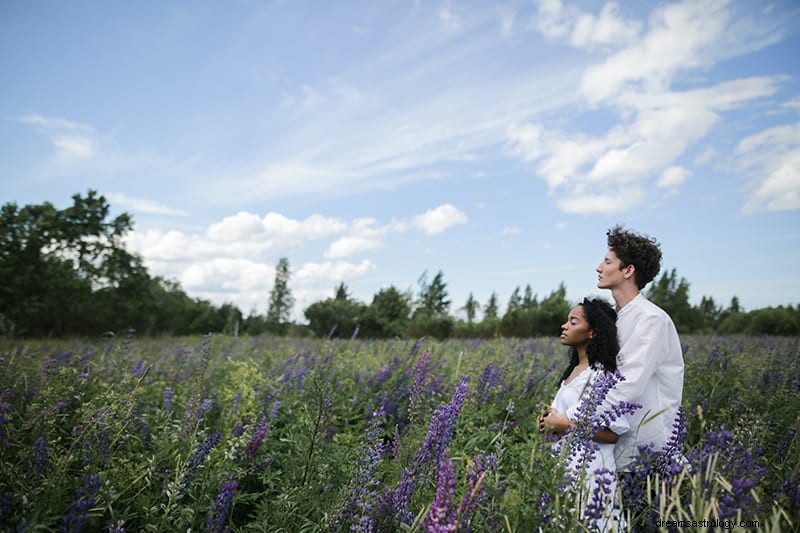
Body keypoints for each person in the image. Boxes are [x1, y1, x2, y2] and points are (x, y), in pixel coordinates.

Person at [593, 225, 684, 470]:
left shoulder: (650, 319)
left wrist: (573, 420)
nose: (599, 268)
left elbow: (626, 384)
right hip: (612, 442)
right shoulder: (614, 318)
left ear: (628, 270)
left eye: (607, 261)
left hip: (645, 448)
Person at [539, 297, 628, 530]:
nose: (564, 326)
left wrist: (564, 425)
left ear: (592, 332)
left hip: (591, 471)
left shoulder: (602, 376)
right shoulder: (573, 371)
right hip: (563, 465)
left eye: (573, 322)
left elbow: (613, 434)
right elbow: (560, 418)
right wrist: (547, 423)